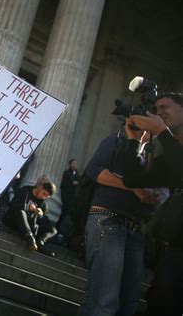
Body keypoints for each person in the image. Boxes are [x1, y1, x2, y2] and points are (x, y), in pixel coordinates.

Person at [77, 130, 157, 316]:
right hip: (108, 219)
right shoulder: (116, 140)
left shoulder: (149, 156)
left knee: (128, 301)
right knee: (104, 298)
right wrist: (135, 189)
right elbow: (95, 171)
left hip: (135, 228)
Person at [122, 92, 183, 315]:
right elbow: (132, 179)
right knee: (161, 300)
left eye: (166, 107)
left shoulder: (171, 148)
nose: (160, 113)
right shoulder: (169, 156)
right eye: (156, 109)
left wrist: (161, 133)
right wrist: (133, 141)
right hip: (175, 249)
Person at [3, 181, 58, 256]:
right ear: (41, 187)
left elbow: (44, 224)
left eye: (46, 196)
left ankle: (40, 243)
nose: (43, 197)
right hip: (15, 220)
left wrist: (41, 216)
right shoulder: (25, 190)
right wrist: (26, 207)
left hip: (31, 225)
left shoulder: (43, 203)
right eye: (44, 193)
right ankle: (30, 238)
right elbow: (12, 205)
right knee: (21, 213)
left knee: (53, 230)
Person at [56, 159, 80, 232]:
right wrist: (73, 183)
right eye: (73, 163)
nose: (75, 165)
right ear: (70, 164)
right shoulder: (66, 173)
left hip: (73, 199)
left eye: (76, 164)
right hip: (66, 198)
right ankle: (58, 229)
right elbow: (64, 185)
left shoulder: (78, 175)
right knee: (64, 214)